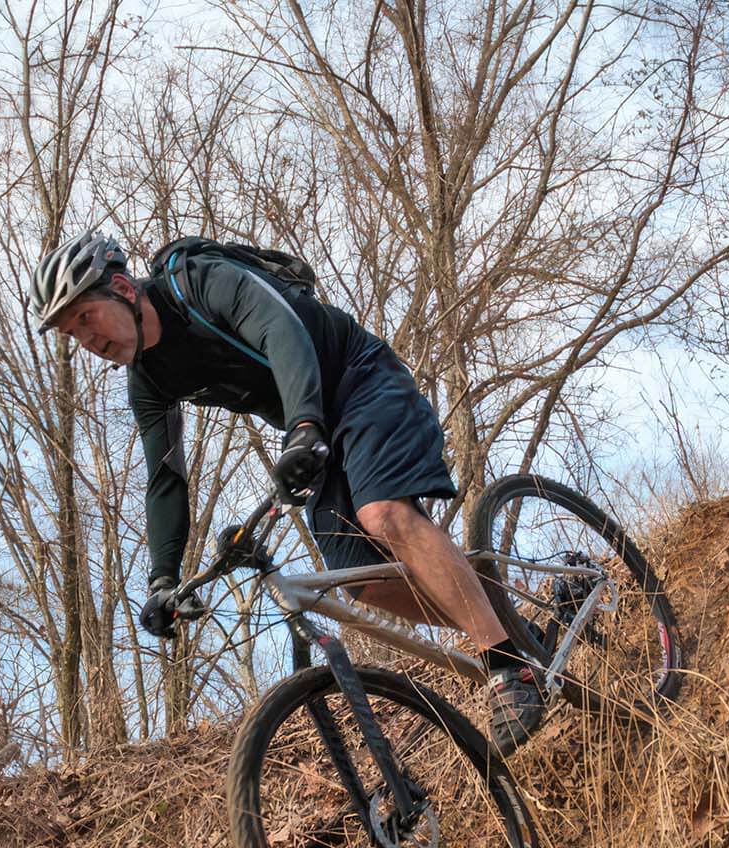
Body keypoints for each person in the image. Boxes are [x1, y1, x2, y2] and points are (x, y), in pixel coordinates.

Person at [28, 230, 545, 752]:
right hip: (314, 426)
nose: (88, 340)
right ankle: (515, 628)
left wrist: (303, 427)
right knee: (362, 582)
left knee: (383, 514)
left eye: (86, 317)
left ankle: (508, 666)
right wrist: (163, 579)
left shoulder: (197, 283)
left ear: (122, 289)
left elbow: (281, 330)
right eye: (73, 334)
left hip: (361, 380)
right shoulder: (149, 382)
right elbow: (165, 478)